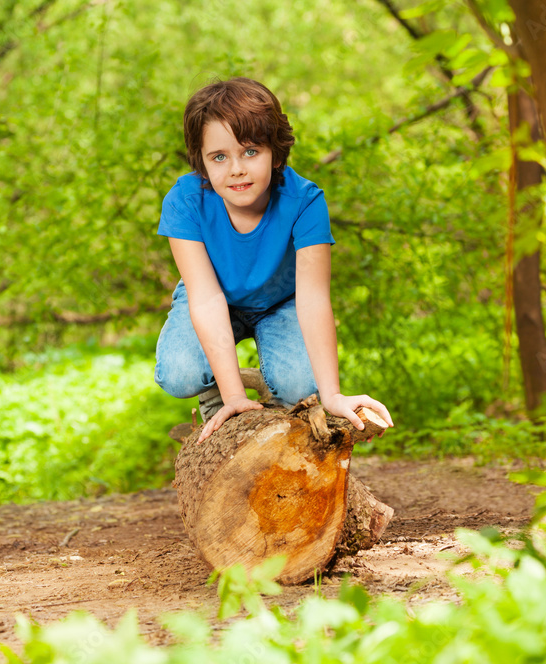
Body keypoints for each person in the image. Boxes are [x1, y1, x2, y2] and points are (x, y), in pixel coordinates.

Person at [154, 77, 393, 444]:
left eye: (250, 152)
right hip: (214, 296)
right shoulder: (185, 201)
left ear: (276, 154)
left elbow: (313, 298)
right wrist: (234, 396)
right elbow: (205, 297)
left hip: (281, 302)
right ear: (201, 163)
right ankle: (222, 394)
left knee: (300, 386)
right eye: (219, 157)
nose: (236, 169)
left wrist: (331, 395)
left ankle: (281, 431)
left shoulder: (305, 201)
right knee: (179, 373)